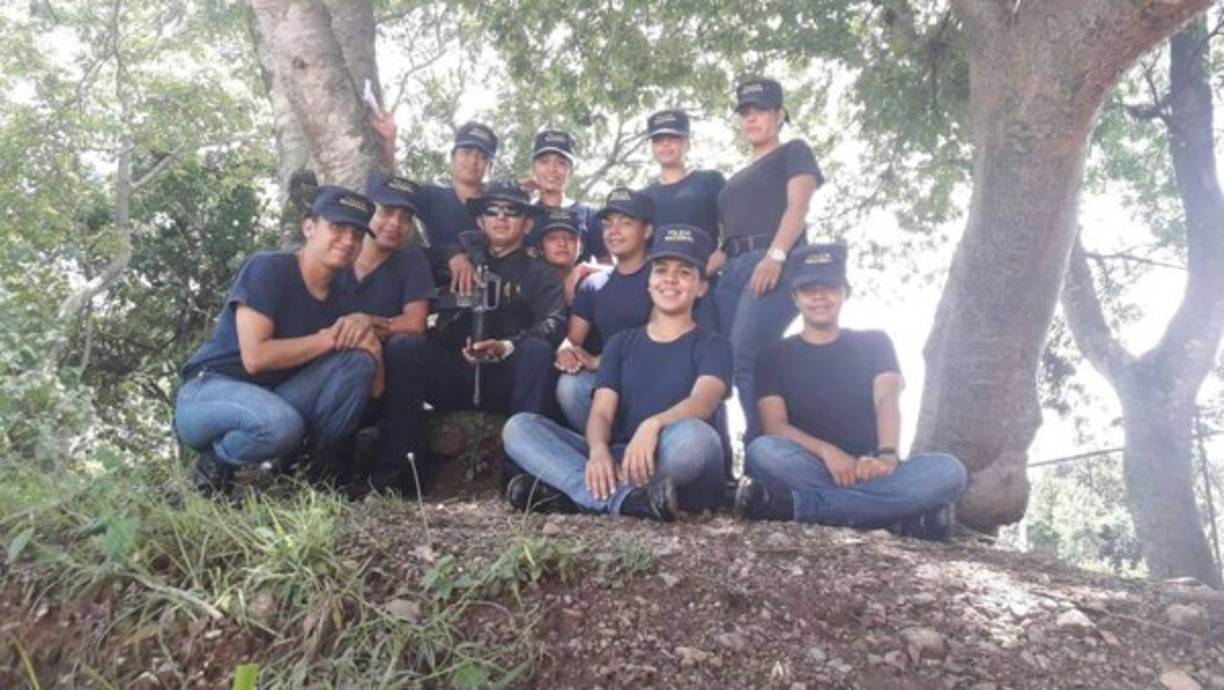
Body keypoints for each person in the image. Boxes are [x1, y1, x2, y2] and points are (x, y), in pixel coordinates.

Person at [734, 244, 967, 540]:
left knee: (949, 471)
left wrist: (887, 457)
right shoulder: (773, 354)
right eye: (808, 289)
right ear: (795, 297)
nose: (819, 296)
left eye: (829, 286)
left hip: (869, 467)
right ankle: (901, 518)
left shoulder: (875, 342)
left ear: (845, 291)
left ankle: (793, 506)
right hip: (810, 466)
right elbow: (774, 426)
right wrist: (827, 452)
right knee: (762, 452)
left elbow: (887, 397)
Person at [502, 224, 730, 520]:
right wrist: (598, 452)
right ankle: (627, 500)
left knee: (694, 438)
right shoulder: (621, 343)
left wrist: (654, 425)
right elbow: (601, 414)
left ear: (701, 286)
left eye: (684, 272)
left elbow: (703, 402)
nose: (670, 280)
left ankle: (578, 496)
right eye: (661, 270)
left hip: (673, 456)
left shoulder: (714, 344)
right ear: (649, 281)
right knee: (520, 428)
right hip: (621, 454)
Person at [174, 186, 382, 495]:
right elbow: (256, 358)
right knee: (279, 424)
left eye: (357, 233)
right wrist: (330, 339)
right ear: (309, 227)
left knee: (357, 362)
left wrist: (372, 347)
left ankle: (314, 478)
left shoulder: (344, 298)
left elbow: (375, 391)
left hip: (276, 397)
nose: (349, 240)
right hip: (209, 392)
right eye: (337, 227)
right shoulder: (268, 269)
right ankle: (214, 465)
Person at [380, 180, 566, 495]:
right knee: (403, 349)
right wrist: (452, 255)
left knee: (536, 352)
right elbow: (414, 255)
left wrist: (507, 346)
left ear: (527, 223)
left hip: (504, 381)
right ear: (480, 220)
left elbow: (554, 322)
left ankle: (520, 479)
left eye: (512, 212)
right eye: (491, 211)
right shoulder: (457, 259)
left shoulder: (540, 273)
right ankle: (400, 474)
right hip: (454, 373)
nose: (501, 218)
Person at [714, 78, 824, 442]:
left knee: (746, 355)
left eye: (760, 110)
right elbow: (723, 242)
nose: (751, 118)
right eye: (745, 112)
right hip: (731, 269)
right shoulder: (732, 181)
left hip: (772, 259)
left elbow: (798, 206)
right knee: (721, 363)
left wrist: (776, 256)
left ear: (778, 114)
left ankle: (765, 454)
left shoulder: (793, 151)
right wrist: (692, 274)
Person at [335, 173, 436, 494]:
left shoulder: (410, 261)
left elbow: (415, 321)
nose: (395, 223)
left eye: (406, 218)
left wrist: (367, 323)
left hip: (389, 376)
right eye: (386, 212)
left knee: (407, 346)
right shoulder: (337, 254)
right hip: (335, 366)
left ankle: (394, 473)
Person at [553, 187, 655, 431]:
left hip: (655, 383)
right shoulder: (593, 285)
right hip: (609, 390)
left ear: (647, 230)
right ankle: (604, 452)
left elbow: (663, 340)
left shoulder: (663, 278)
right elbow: (572, 339)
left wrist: (600, 361)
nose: (614, 231)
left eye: (625, 223)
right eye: (608, 225)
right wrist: (565, 353)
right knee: (569, 387)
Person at [523, 129, 609, 263]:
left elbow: (607, 266)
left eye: (561, 163)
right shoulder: (523, 215)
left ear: (571, 170)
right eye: (544, 161)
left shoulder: (589, 216)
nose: (552, 169)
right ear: (534, 167)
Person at [639, 109, 725, 243]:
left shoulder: (711, 182)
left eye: (672, 138)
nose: (665, 144)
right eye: (658, 140)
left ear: (687, 142)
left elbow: (731, 237)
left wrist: (707, 264)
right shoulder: (642, 198)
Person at [532, 205, 591, 308]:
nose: (562, 243)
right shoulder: (529, 283)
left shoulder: (592, 284)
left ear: (581, 247)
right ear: (540, 248)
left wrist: (587, 268)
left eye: (570, 238)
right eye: (552, 238)